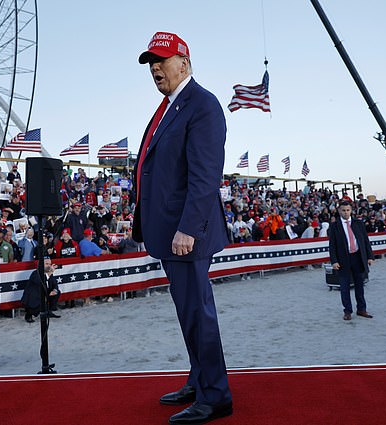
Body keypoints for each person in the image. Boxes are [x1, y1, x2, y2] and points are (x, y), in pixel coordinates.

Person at [133, 32, 232, 424]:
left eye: (161, 59)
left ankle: (216, 395)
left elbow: (205, 176)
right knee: (187, 312)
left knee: (198, 313)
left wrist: (188, 228)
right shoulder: (169, 107)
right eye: (150, 62)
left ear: (184, 64)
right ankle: (198, 378)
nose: (155, 67)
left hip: (187, 233)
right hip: (169, 231)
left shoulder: (202, 106)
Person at [328, 201, 375, 321]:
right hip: (343, 259)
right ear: (339, 211)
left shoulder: (358, 224)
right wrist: (334, 261)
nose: (346, 212)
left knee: (360, 285)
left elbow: (365, 241)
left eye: (348, 210)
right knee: (344, 287)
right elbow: (332, 245)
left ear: (351, 211)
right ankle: (347, 311)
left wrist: (370, 256)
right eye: (343, 210)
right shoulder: (334, 226)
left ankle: (361, 309)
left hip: (358, 257)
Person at [20, 257, 61, 323]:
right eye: (47, 264)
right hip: (34, 297)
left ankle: (48, 311)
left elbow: (55, 284)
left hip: (44, 294)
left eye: (50, 264)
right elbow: (39, 282)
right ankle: (29, 315)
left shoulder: (49, 273)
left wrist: (55, 290)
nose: (49, 266)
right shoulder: (35, 273)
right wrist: (49, 273)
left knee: (57, 293)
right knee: (35, 299)